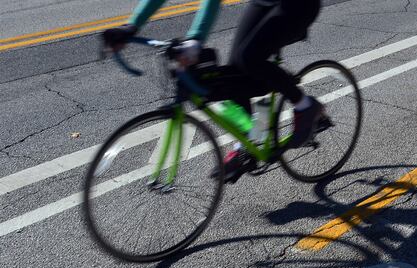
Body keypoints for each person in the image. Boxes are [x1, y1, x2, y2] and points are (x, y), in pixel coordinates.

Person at [103, 0, 324, 183]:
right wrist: (131, 27)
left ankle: (305, 105)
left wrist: (196, 39)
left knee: (250, 58)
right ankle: (249, 141)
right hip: (264, 2)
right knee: (236, 71)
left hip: (298, 5)